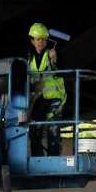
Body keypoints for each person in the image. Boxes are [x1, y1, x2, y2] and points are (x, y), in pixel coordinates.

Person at [27, 22, 67, 157]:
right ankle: (37, 159)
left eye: (43, 39)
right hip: (39, 98)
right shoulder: (29, 58)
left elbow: (60, 70)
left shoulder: (52, 53)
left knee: (53, 129)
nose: (41, 42)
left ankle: (54, 159)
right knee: (35, 130)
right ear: (32, 40)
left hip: (55, 98)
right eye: (38, 39)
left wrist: (55, 60)